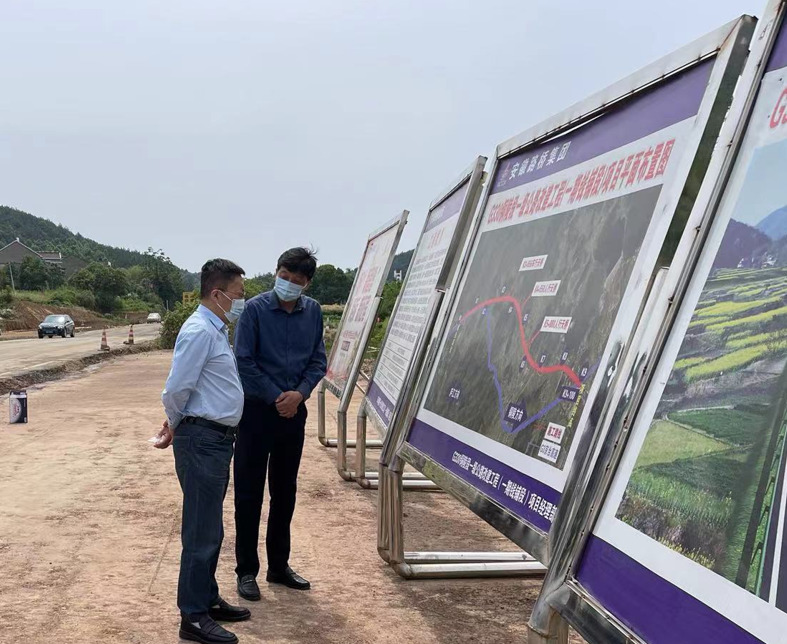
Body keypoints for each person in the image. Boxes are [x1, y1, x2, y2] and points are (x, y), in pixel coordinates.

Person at [154, 259, 250, 644]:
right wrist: (174, 422)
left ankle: (207, 598)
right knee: (200, 530)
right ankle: (192, 616)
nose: (241, 301)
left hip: (215, 439)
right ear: (217, 293)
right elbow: (177, 387)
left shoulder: (214, 329)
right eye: (238, 295)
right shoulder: (198, 331)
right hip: (202, 440)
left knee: (211, 526)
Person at [233, 247, 327, 600]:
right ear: (276, 273)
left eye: (295, 280)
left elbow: (318, 361)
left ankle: (279, 566)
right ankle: (246, 571)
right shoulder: (254, 310)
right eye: (283, 277)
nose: (287, 284)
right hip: (257, 413)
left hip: (293, 415)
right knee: (249, 493)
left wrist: (299, 395)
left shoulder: (313, 311)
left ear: (306, 283)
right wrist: (277, 396)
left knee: (284, 492)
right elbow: (244, 361)